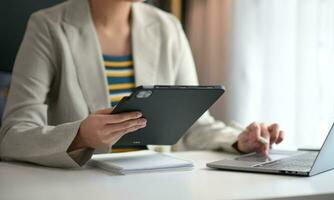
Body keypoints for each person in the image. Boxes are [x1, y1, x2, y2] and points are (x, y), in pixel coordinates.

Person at [0, 0, 284, 168]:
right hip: (79, 185)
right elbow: (13, 136)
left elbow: (195, 126)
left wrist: (238, 140)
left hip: (155, 183)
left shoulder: (167, 27)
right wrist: (80, 136)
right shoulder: (48, 27)